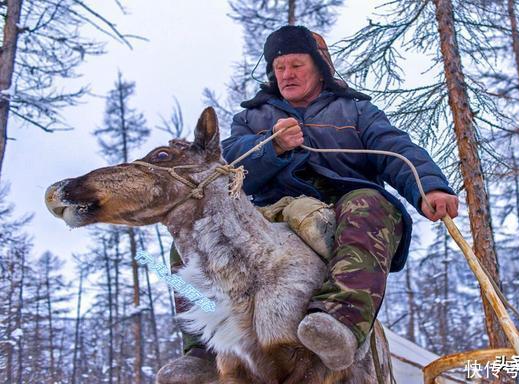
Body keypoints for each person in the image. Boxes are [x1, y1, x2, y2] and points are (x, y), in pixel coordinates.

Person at [156, 25, 458, 383]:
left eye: (296, 65)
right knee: (189, 241)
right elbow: (227, 167)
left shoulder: (356, 110)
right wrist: (272, 145)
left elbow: (395, 150)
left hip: (341, 199)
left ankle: (339, 322)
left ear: (320, 68)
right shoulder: (252, 118)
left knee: (370, 205)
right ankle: (202, 351)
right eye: (279, 67)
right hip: (267, 209)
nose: (286, 74)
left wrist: (429, 186)